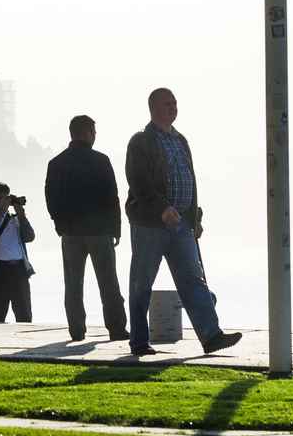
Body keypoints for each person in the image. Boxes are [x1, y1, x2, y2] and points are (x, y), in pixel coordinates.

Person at [125, 88, 242, 356]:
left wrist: (194, 217)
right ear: (154, 107)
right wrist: (162, 208)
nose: (174, 108)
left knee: (193, 279)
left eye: (175, 103)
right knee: (142, 282)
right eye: (168, 104)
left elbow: (189, 178)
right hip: (150, 224)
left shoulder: (181, 140)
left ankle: (211, 335)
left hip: (181, 225)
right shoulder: (141, 142)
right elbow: (138, 181)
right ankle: (139, 341)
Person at [45, 114, 128, 342]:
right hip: (100, 231)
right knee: (108, 282)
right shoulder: (101, 160)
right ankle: (117, 328)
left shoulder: (57, 163)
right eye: (94, 131)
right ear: (88, 132)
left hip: (70, 232)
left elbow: (51, 198)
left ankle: (76, 329)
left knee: (73, 284)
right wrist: (116, 228)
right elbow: (113, 197)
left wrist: (59, 224)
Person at [0, 182, 36, 322]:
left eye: (6, 198)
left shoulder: (15, 218)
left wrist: (21, 215)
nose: (3, 202)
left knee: (25, 316)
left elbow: (30, 237)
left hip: (19, 270)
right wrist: (1, 211)